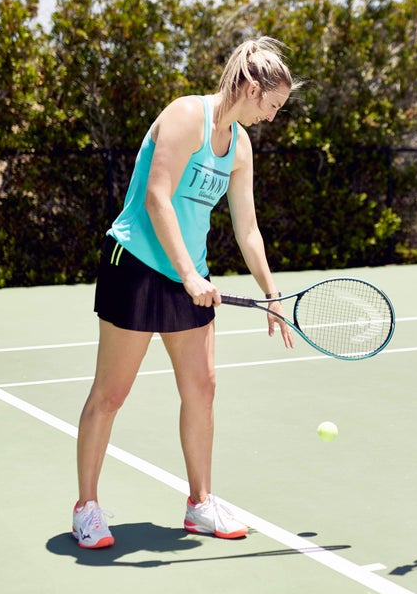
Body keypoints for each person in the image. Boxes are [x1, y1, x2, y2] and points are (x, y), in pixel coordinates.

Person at [72, 37, 299, 549]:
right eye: (271, 104)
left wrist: (272, 292)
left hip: (189, 275)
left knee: (202, 389)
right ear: (248, 87)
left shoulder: (239, 146)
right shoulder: (184, 116)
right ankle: (86, 507)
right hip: (136, 264)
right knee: (111, 394)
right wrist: (188, 276)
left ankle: (200, 504)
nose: (272, 116)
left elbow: (248, 230)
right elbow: (156, 197)